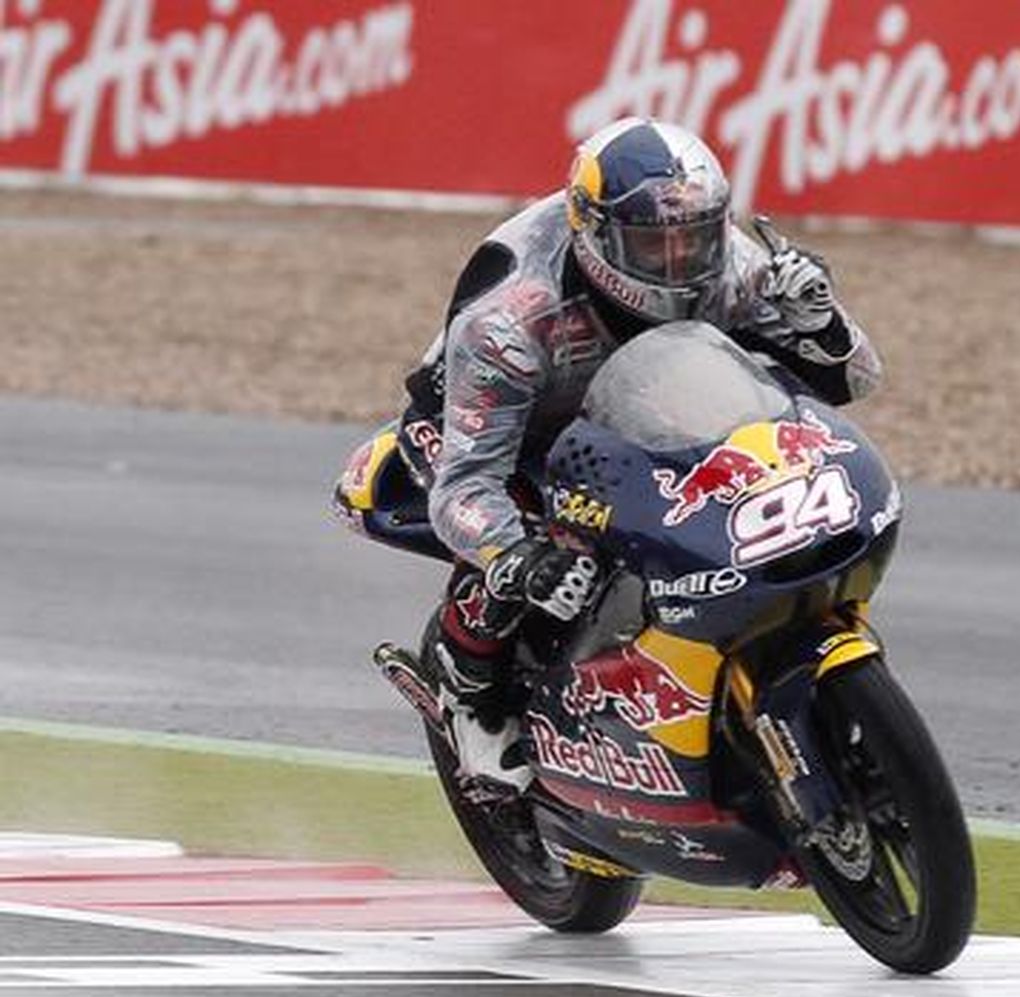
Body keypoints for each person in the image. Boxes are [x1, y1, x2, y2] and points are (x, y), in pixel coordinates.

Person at [333, 117, 882, 795]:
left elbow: (855, 380)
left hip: (632, 401)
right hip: (492, 429)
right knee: (538, 546)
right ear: (593, 234)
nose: (680, 263)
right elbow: (463, 490)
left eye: (695, 238)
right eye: (655, 246)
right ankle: (469, 684)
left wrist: (821, 321)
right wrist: (519, 556)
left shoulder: (734, 265)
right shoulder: (511, 322)